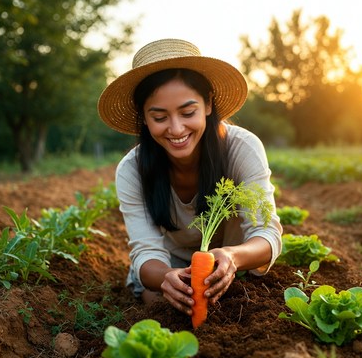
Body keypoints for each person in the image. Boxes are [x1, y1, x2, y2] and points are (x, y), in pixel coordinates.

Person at [98, 38, 283, 317]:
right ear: (144, 118)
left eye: (187, 113)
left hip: (234, 269)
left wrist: (232, 256)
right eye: (159, 117)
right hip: (172, 270)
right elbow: (145, 253)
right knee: (163, 307)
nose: (176, 129)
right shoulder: (132, 170)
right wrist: (166, 278)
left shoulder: (242, 149)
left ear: (208, 104)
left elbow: (266, 234)